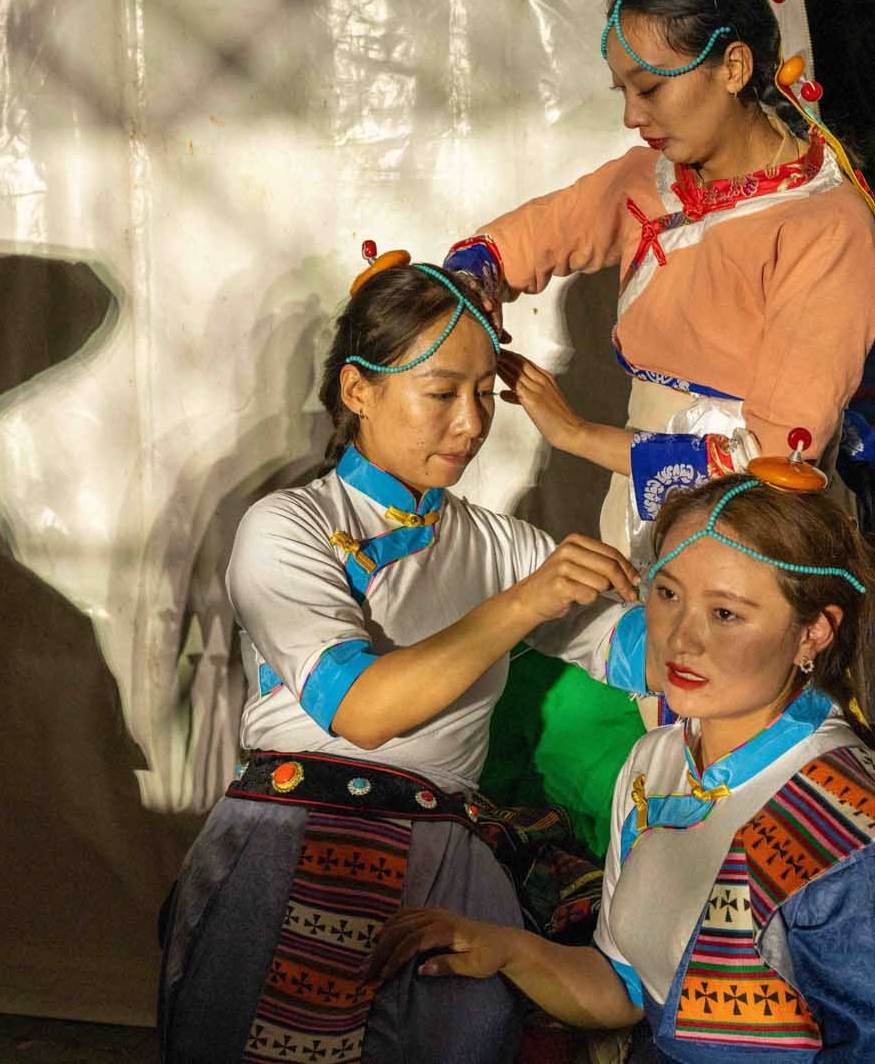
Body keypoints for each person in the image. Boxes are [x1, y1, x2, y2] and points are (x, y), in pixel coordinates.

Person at [157, 249, 652, 1063]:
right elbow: (363, 711)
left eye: (486, 394)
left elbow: (653, 657)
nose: (472, 423)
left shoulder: (499, 544)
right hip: (291, 841)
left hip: (448, 865)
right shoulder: (288, 528)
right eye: (443, 393)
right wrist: (523, 602)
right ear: (359, 390)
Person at [370, 469, 875, 1060]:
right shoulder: (655, 765)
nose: (681, 639)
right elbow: (627, 989)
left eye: (726, 614)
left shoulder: (861, 844)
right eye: (668, 593)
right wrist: (508, 949)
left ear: (813, 632)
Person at [442, 0, 875, 558]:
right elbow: (531, 237)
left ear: (734, 66)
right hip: (643, 500)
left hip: (758, 527)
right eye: (624, 91)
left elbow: (768, 461)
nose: (632, 116)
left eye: (651, 88)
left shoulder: (824, 228)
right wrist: (474, 280)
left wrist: (579, 435)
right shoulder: (653, 178)